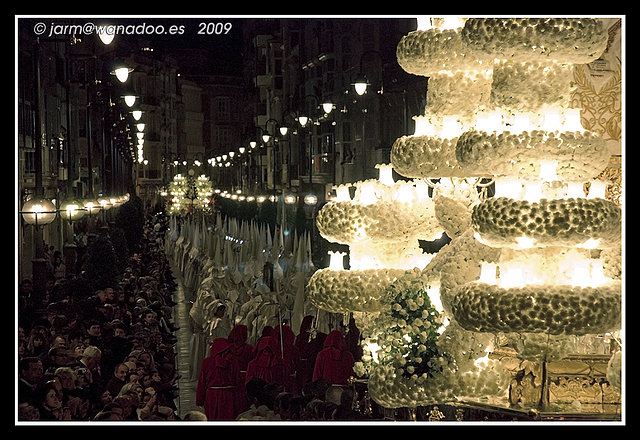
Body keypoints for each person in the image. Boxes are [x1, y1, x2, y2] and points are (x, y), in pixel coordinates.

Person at [195, 338, 241, 421]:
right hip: (228, 396)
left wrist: (200, 400)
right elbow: (238, 380)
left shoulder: (207, 362)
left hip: (212, 396)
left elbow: (202, 382)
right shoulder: (233, 361)